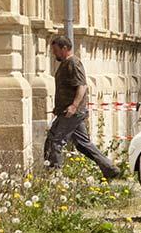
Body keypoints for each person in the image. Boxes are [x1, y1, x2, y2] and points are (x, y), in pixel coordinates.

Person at [44, 35, 120, 179]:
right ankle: (110, 169)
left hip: (72, 112)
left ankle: (54, 177)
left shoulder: (73, 62)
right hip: (67, 111)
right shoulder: (66, 63)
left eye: (55, 50)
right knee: (83, 144)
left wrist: (73, 106)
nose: (54, 53)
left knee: (55, 140)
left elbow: (82, 86)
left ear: (64, 48)